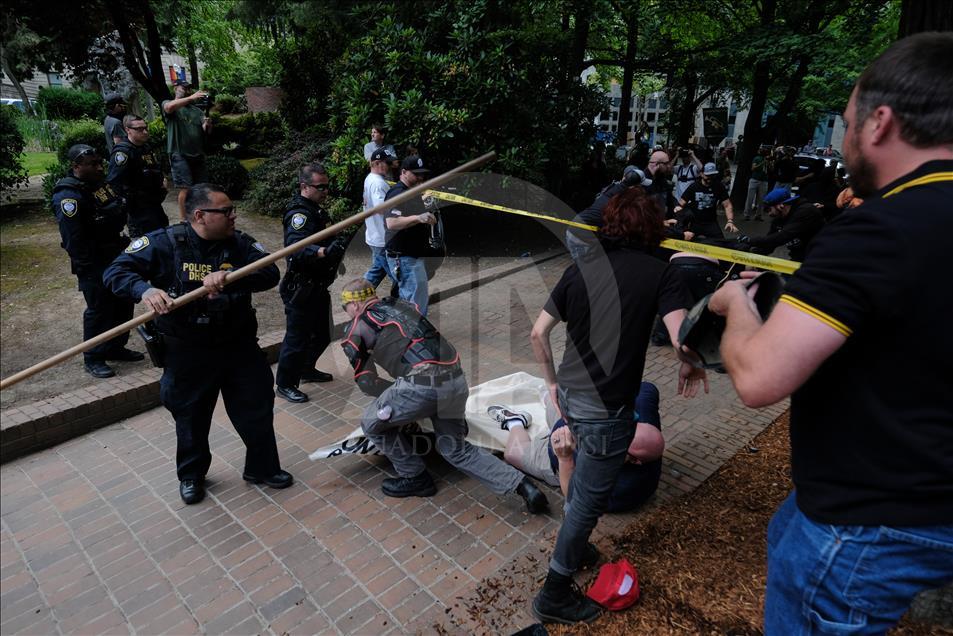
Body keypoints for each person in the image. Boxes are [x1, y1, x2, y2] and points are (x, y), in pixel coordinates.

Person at [708, 32, 953, 635]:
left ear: (880, 124)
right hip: (929, 499)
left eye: (847, 123)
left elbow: (761, 377)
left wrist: (736, 305)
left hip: (868, 520)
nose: (843, 141)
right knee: (784, 528)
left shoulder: (877, 232)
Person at [530, 187, 708, 624]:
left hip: (571, 395)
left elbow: (537, 333)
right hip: (607, 410)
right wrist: (690, 364)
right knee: (590, 502)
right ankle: (554, 592)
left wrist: (552, 385)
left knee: (584, 479)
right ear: (653, 228)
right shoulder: (662, 273)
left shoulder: (582, 267)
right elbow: (682, 337)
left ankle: (577, 542)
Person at [103, 183, 292, 505]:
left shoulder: (239, 243)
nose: (234, 215)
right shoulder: (163, 243)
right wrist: (145, 291)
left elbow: (269, 273)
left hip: (237, 344)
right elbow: (116, 271)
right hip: (187, 349)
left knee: (256, 407)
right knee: (190, 416)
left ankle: (262, 467)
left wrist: (232, 275)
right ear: (200, 215)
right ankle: (191, 475)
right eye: (226, 210)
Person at [338, 278, 548, 513]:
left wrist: (398, 397)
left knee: (370, 423)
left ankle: (414, 477)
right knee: (455, 449)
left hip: (422, 385)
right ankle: (524, 487)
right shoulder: (402, 305)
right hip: (457, 380)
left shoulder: (355, 327)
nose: (346, 314)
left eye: (345, 308)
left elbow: (367, 382)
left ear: (354, 305)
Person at [499, 381, 664, 513]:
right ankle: (547, 399)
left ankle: (515, 421)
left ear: (634, 461)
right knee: (556, 397)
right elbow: (647, 389)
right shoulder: (643, 429)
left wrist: (564, 459)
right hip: (570, 420)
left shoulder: (619, 487)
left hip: (556, 455)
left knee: (512, 453)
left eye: (616, 444)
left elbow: (574, 500)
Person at [52, 144, 142, 379]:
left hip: (116, 253)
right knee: (99, 309)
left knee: (124, 301)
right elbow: (73, 238)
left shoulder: (99, 186)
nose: (99, 167)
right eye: (92, 164)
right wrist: (87, 268)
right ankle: (93, 356)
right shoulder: (68, 196)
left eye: (99, 162)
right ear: (76, 166)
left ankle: (115, 346)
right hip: (93, 261)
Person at [274, 163, 347, 403]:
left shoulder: (314, 208)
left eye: (327, 186)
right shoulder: (300, 214)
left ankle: (305, 368)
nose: (326, 191)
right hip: (301, 288)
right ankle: (285, 384)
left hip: (317, 285)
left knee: (324, 333)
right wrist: (323, 252)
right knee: (297, 338)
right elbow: (296, 247)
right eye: (320, 187)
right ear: (305, 187)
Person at [383, 155, 440, 315]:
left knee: (412, 300)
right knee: (415, 303)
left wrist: (427, 216)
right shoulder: (397, 193)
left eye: (422, 174)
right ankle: (415, 336)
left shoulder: (413, 192)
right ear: (404, 172)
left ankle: (409, 334)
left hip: (412, 254)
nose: (420, 177)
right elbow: (391, 223)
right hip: (404, 256)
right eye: (416, 174)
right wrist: (418, 218)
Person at [566, 165, 653, 261]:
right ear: (633, 185)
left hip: (583, 232)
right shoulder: (621, 197)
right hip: (579, 235)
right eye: (639, 186)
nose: (641, 189)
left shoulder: (616, 189)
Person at [107, 115, 169, 238]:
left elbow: (154, 168)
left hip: (154, 203)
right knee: (145, 243)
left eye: (145, 128)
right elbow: (114, 182)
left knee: (163, 235)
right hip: (138, 208)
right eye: (139, 129)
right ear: (128, 130)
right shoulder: (123, 152)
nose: (145, 132)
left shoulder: (145, 147)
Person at [161, 79, 211, 221]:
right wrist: (191, 98)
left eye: (189, 88)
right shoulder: (169, 104)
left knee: (201, 188)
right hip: (179, 153)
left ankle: (199, 216)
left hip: (198, 153)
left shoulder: (197, 111)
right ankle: (184, 221)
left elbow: (205, 131)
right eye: (184, 87)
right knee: (186, 188)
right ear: (175, 87)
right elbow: (169, 108)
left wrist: (208, 125)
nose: (188, 90)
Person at [744, 187, 824, 262]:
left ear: (780, 205)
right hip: (799, 257)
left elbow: (782, 236)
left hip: (820, 258)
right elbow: (770, 243)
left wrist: (750, 240)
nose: (768, 214)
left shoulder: (806, 212)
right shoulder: (779, 219)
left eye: (768, 209)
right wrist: (750, 256)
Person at [676, 162, 737, 239]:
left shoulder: (719, 186)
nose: (710, 178)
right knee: (687, 241)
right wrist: (679, 219)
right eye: (707, 175)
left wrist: (730, 220)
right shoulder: (694, 187)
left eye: (712, 175)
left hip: (711, 222)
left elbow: (727, 205)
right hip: (695, 222)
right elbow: (681, 204)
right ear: (701, 174)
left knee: (721, 243)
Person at [362, 148, 394, 288]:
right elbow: (381, 208)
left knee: (377, 270)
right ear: (376, 163)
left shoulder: (370, 178)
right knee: (398, 275)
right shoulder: (378, 183)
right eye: (387, 163)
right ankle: (403, 303)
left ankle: (357, 296)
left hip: (375, 235)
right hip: (381, 238)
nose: (390, 166)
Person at [743, 148, 768, 221]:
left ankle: (759, 215)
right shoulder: (756, 158)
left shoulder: (767, 159)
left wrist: (769, 164)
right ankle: (747, 215)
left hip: (764, 180)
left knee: (762, 199)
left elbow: (770, 170)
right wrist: (762, 163)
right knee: (750, 198)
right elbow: (753, 168)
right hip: (754, 180)